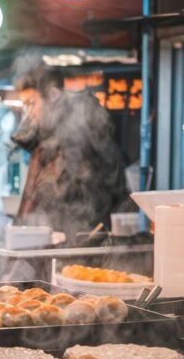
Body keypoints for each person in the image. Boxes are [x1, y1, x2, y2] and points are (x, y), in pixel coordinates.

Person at [11, 67, 127, 239]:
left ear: (52, 96)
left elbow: (94, 186)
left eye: (32, 103)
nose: (30, 113)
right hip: (57, 234)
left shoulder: (79, 128)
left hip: (84, 235)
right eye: (25, 106)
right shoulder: (47, 138)